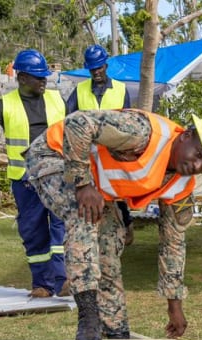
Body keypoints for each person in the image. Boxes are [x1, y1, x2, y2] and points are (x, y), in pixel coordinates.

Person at [25, 109, 202, 340]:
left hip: (94, 183)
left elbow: (173, 244)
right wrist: (82, 184)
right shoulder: (142, 132)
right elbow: (78, 123)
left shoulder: (181, 184)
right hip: (53, 155)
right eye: (199, 154)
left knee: (110, 240)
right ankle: (88, 319)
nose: (196, 165)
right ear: (186, 136)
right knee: (84, 214)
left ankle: (115, 328)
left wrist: (175, 306)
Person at [0, 49, 69, 298]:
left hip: (58, 177)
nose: (44, 80)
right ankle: (42, 284)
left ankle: (64, 280)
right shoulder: (5, 105)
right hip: (25, 182)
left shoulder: (57, 100)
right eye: (38, 77)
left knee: (61, 229)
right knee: (33, 231)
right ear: (22, 78)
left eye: (45, 76)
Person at [66, 44, 135, 246]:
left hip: (112, 155)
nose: (96, 72)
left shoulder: (121, 90)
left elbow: (128, 122)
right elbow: (69, 120)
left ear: (106, 65)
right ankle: (92, 235)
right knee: (90, 194)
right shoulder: (79, 91)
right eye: (92, 68)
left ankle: (126, 226)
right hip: (88, 156)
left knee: (117, 195)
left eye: (99, 67)